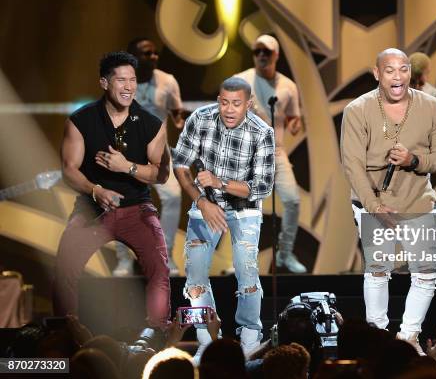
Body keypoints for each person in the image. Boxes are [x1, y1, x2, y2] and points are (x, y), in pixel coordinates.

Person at [340, 48, 436, 354]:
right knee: (378, 269)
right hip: (372, 201)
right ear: (377, 73)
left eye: (402, 69)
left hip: (417, 199)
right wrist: (375, 207)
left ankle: (409, 338)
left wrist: (413, 159)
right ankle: (377, 338)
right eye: (389, 70)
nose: (397, 76)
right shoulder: (357, 109)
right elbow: (352, 164)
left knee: (426, 272)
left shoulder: (431, 106)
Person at [53, 51, 171, 329]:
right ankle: (64, 334)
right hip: (91, 209)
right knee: (64, 269)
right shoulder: (81, 121)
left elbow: (161, 174)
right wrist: (96, 191)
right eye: (121, 80)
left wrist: (127, 167)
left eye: (132, 80)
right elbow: (69, 169)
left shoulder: (151, 125)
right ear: (105, 83)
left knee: (160, 268)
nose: (129, 86)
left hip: (137, 209)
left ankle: (157, 332)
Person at [172, 77, 275, 361]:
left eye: (237, 104)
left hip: (245, 207)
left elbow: (262, 187)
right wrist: (201, 200)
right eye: (224, 102)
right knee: (194, 272)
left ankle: (250, 337)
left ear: (249, 104)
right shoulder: (200, 119)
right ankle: (207, 340)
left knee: (246, 269)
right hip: (207, 204)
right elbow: (180, 163)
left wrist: (220, 183)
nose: (229, 109)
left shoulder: (262, 132)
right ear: (218, 100)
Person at [112, 38, 185, 277]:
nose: (153, 57)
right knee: (119, 202)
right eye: (147, 54)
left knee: (173, 196)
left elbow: (176, 113)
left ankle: (165, 255)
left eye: (155, 53)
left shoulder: (168, 81)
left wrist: (179, 121)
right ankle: (124, 260)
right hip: (127, 152)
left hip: (158, 152)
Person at [234, 34, 306, 273]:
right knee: (245, 206)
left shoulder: (288, 86)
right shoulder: (240, 81)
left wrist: (295, 125)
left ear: (276, 54)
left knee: (292, 200)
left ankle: (284, 253)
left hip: (276, 151)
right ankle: (242, 260)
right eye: (257, 51)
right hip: (248, 152)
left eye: (266, 51)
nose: (262, 56)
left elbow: (294, 118)